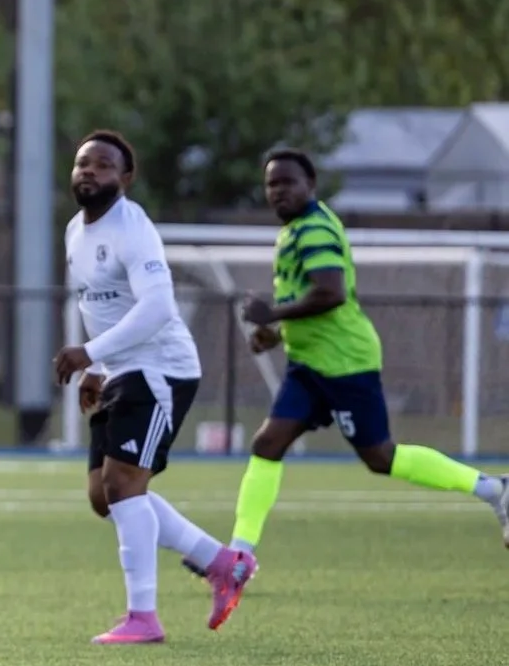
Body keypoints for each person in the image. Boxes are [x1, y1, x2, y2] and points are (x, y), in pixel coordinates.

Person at [211, 148, 509, 624]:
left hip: (346, 364)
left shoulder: (317, 228)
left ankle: (495, 490)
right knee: (267, 442)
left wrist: (274, 315)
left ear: (311, 185)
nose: (278, 191)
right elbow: (301, 298)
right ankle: (238, 557)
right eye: (271, 184)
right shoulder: (292, 232)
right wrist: (274, 332)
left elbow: (330, 292)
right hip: (308, 364)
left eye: (288, 182)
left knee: (381, 458)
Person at [51, 132, 239, 645]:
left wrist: (88, 354)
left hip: (161, 368)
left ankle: (144, 618)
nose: (89, 171)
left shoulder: (134, 229)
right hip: (120, 369)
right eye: (82, 163)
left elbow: (157, 308)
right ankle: (223, 562)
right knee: (103, 496)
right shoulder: (74, 231)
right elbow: (102, 305)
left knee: (123, 485)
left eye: (103, 165)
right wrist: (99, 366)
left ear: (125, 178)